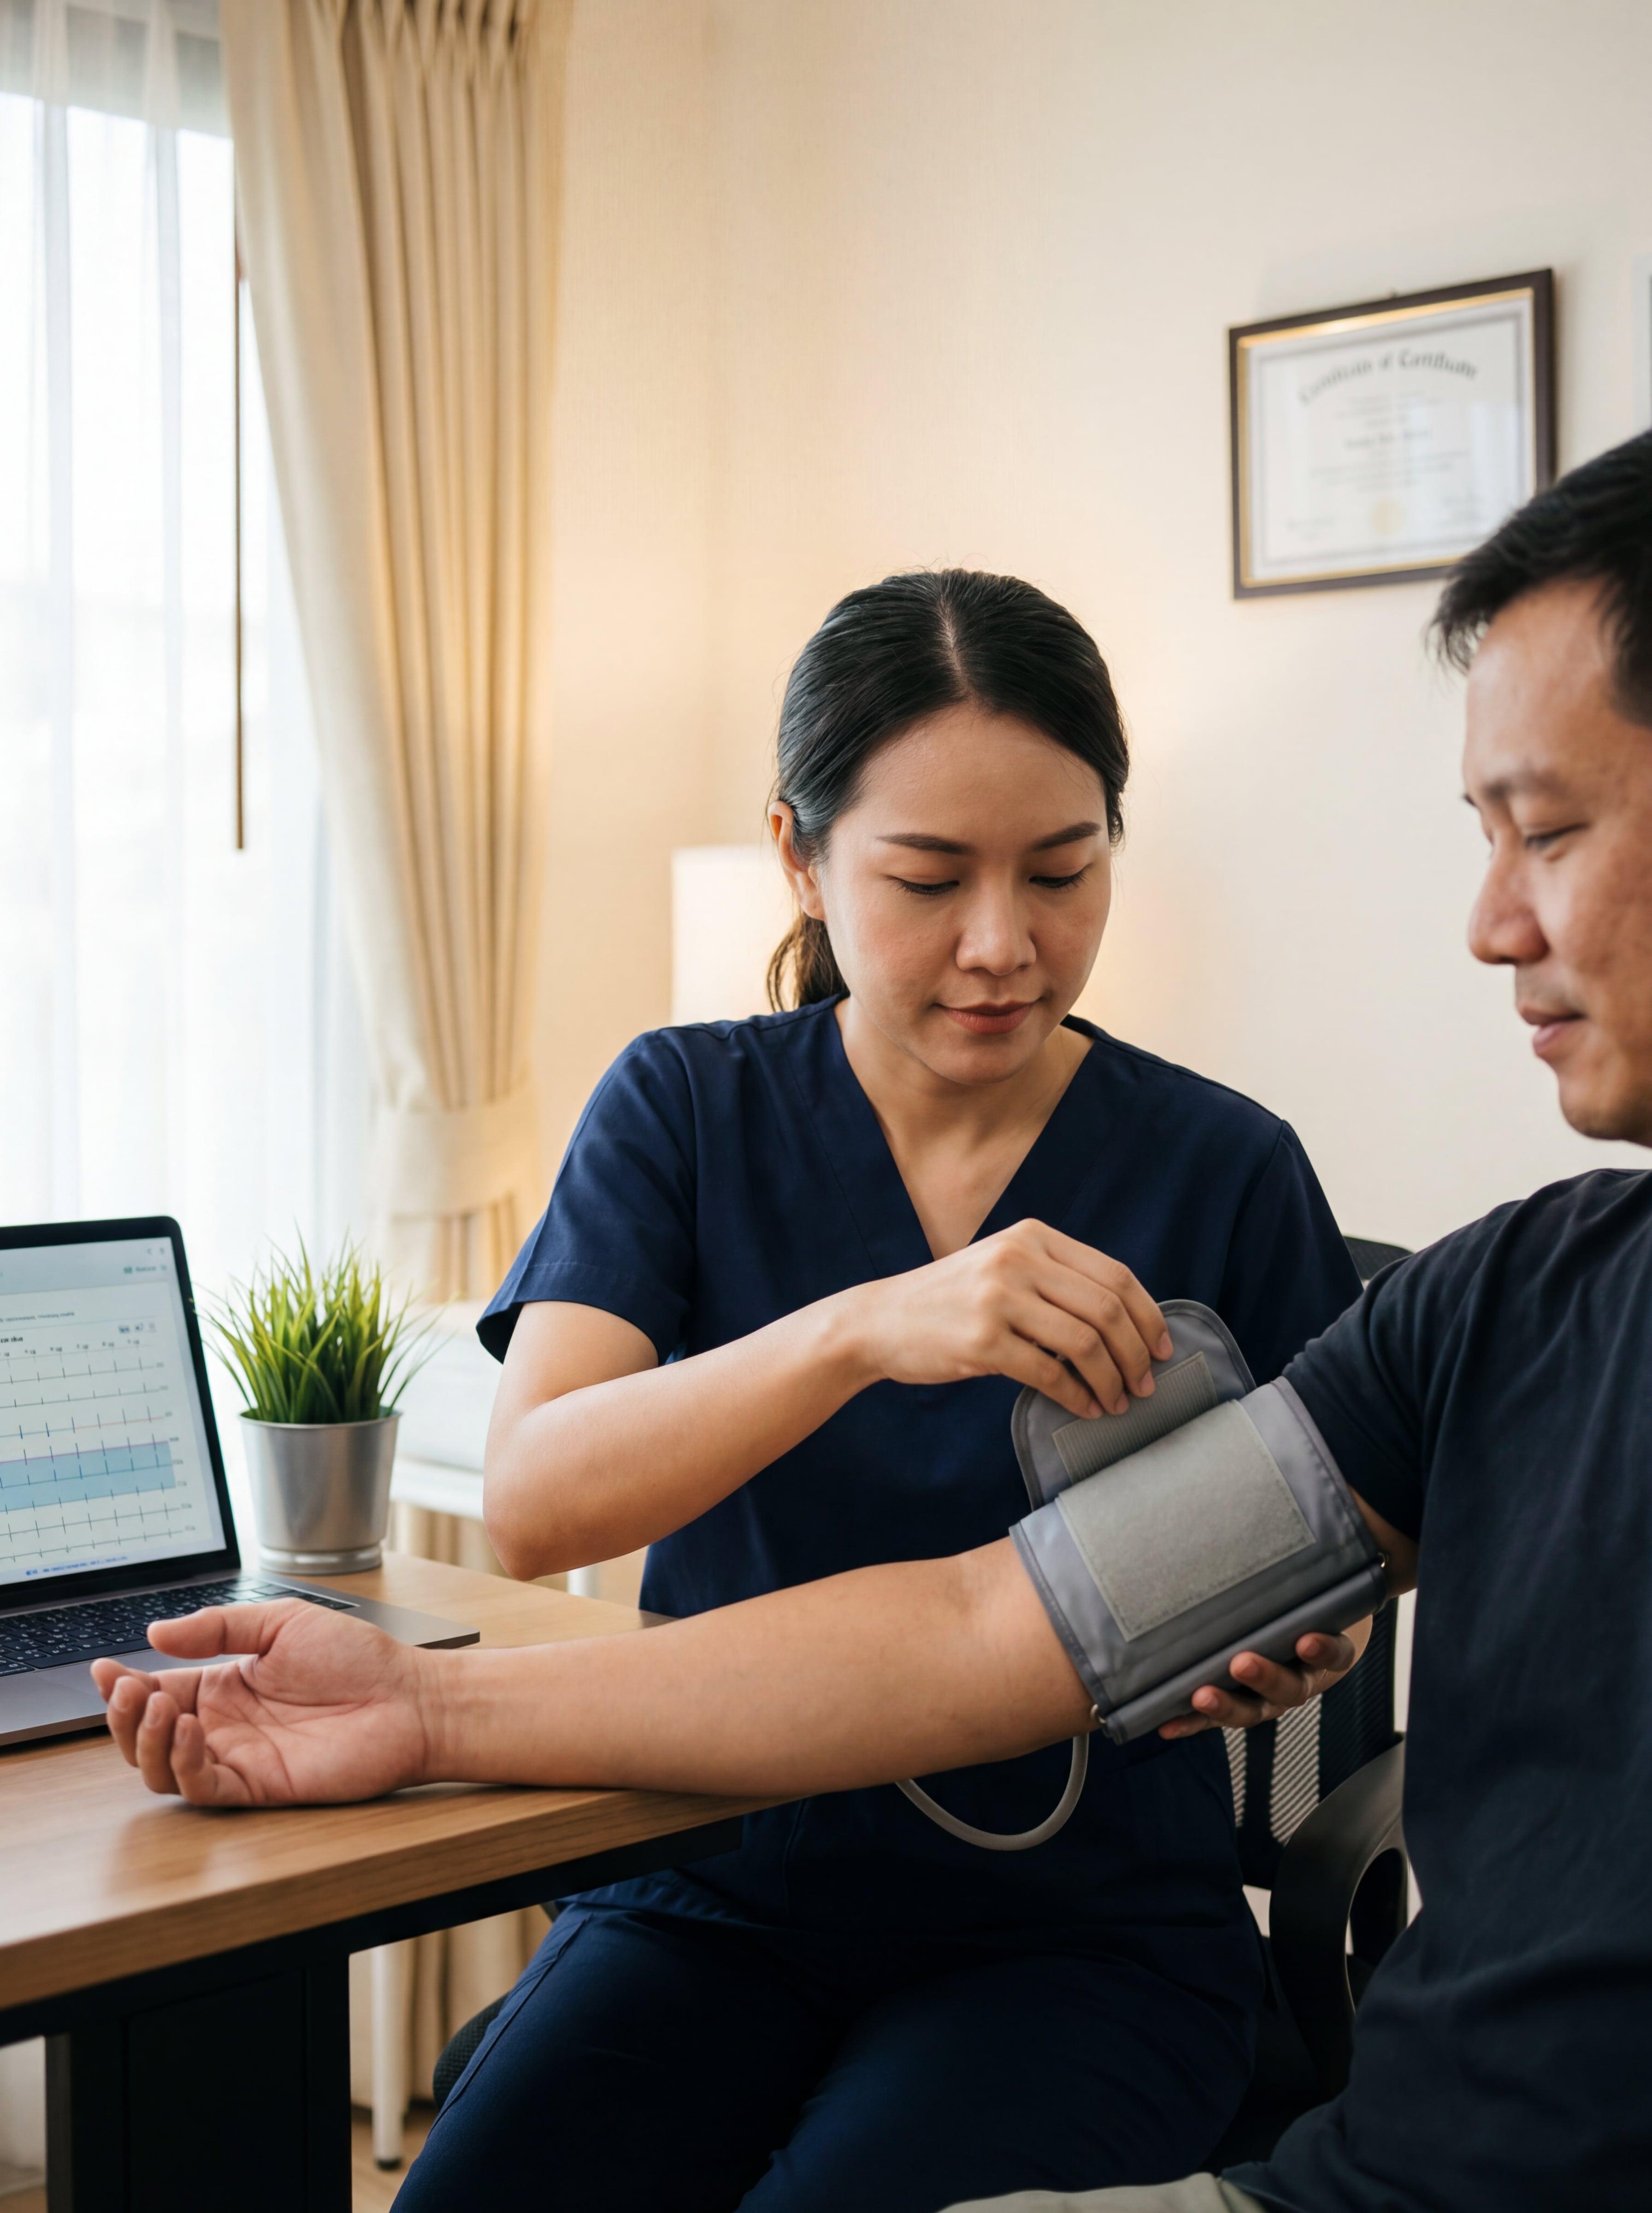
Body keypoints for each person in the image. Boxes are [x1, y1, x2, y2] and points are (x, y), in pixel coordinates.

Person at [98, 568, 1369, 2213]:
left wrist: (1300, 1647)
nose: (1005, 943)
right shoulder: (685, 1109)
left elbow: (1337, 1552)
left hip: (1087, 1935)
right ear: (802, 855)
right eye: (929, 879)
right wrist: (864, 1328)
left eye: (1064, 871)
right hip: (712, 1882)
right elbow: (545, 1492)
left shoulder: (1225, 1166)